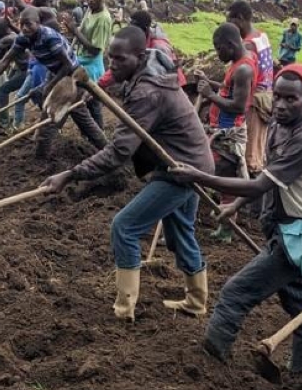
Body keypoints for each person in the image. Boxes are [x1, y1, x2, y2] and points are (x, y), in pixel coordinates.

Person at [170, 64, 302, 373]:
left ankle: (211, 363)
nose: (282, 105)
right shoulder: (278, 125)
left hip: (297, 235)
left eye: (292, 99)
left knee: (235, 292)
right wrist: (235, 206)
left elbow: (260, 184)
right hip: (287, 230)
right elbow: (267, 179)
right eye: (279, 97)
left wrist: (200, 177)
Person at [42, 27, 213, 320]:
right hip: (185, 163)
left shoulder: (148, 92)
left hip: (182, 170)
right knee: (179, 233)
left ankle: (123, 309)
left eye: (120, 59)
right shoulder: (147, 75)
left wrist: (70, 175)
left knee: (124, 227)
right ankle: (196, 302)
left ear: (140, 56)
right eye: (111, 58)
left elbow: (119, 152)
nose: (113, 65)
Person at [0, 7, 106, 158]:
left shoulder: (48, 37)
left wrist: (49, 86)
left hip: (71, 77)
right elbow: (5, 61)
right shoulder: (23, 38)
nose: (25, 28)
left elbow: (67, 66)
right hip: (56, 74)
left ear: (38, 23)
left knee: (50, 121)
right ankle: (107, 149)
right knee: (81, 118)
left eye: (29, 24)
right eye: (22, 24)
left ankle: (41, 159)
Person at [195, 23, 255, 240]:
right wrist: (208, 83)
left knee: (224, 177)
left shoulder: (244, 69)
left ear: (230, 45)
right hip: (221, 131)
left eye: (218, 48)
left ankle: (227, 229)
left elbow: (238, 105)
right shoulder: (237, 64)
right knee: (222, 178)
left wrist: (210, 95)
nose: (217, 53)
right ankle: (225, 224)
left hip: (228, 134)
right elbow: (228, 89)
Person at [227, 1, 274, 174]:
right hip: (266, 97)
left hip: (254, 101)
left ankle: (249, 195)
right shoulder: (261, 36)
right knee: (258, 148)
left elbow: (244, 79)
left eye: (229, 20)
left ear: (239, 19)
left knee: (248, 155)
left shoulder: (248, 45)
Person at [61, 0, 112, 127]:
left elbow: (95, 50)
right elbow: (81, 33)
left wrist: (74, 30)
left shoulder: (103, 19)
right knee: (85, 105)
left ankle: (99, 138)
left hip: (91, 67)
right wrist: (71, 31)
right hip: (81, 61)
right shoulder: (91, 11)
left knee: (92, 106)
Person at [100, 10, 185, 88]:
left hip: (171, 85)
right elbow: (120, 64)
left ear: (144, 29)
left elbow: (165, 77)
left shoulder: (159, 47)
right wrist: (101, 83)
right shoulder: (136, 40)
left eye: (134, 28)